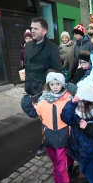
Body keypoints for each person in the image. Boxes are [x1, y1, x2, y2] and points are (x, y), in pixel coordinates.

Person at [21, 72, 73, 183]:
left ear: (62, 84)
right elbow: (34, 112)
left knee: (59, 163)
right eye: (52, 84)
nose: (55, 86)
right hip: (49, 136)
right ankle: (69, 164)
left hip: (64, 134)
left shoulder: (68, 98)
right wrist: (26, 102)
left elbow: (76, 110)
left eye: (58, 84)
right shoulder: (44, 99)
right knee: (55, 159)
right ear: (48, 85)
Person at [24, 17, 62, 156]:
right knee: (39, 118)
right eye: (31, 28)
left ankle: (46, 142)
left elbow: (57, 69)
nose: (32, 31)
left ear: (44, 31)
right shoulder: (28, 46)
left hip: (45, 89)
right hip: (31, 88)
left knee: (47, 119)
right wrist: (27, 82)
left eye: (35, 28)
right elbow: (27, 66)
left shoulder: (52, 48)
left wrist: (48, 85)